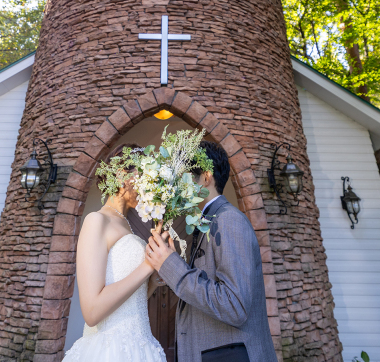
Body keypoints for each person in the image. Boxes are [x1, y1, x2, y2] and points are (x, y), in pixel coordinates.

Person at [144, 142, 275, 362]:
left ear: (206, 177)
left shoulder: (228, 221)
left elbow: (235, 305)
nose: (177, 185)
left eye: (184, 176)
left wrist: (172, 266)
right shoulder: (207, 221)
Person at [63, 144, 166, 362]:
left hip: (141, 347)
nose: (149, 187)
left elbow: (131, 302)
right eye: (145, 178)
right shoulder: (96, 220)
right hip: (109, 350)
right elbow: (92, 312)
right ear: (122, 176)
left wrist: (153, 280)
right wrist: (146, 266)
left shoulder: (128, 224)